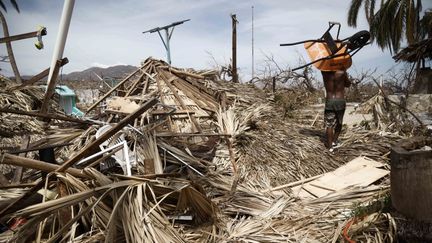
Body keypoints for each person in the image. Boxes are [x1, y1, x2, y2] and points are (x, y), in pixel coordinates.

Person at [322, 70, 351, 152]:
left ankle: (330, 147)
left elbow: (321, 65)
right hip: (340, 100)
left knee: (329, 125)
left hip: (330, 101)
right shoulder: (342, 72)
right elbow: (348, 84)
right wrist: (344, 73)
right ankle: (334, 141)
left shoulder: (324, 72)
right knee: (339, 122)